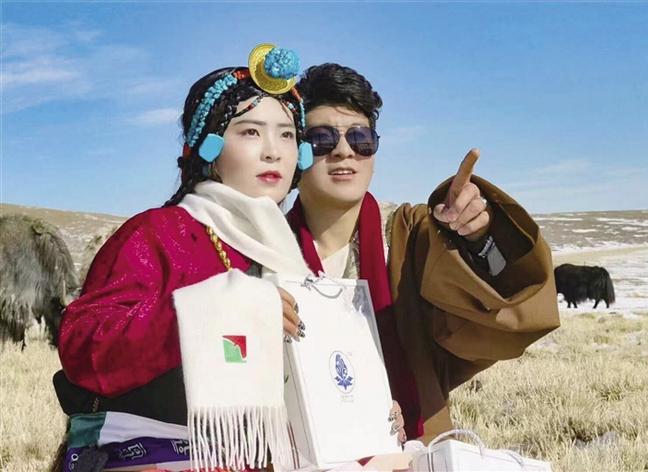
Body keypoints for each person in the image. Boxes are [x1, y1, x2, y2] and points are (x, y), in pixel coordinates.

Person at [52, 44, 367, 472]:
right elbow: (84, 349)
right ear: (210, 147)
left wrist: (362, 412)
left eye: (287, 135)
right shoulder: (160, 233)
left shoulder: (287, 256)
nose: (273, 151)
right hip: (153, 455)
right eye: (250, 132)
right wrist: (214, 309)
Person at [289, 63, 561, 443]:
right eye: (322, 138)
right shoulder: (260, 253)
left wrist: (477, 236)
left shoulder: (407, 237)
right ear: (294, 149)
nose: (344, 151)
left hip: (414, 450)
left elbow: (504, 308)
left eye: (360, 137)